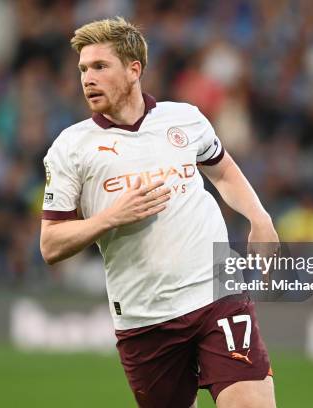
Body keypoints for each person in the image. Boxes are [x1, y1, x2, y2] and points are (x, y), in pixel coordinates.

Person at [40, 17, 278, 408]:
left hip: (217, 293)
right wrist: (109, 217)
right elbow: (50, 244)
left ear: (134, 70)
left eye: (100, 66)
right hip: (144, 318)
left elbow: (223, 170)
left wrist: (260, 218)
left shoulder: (185, 118)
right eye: (83, 69)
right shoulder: (71, 148)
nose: (88, 78)